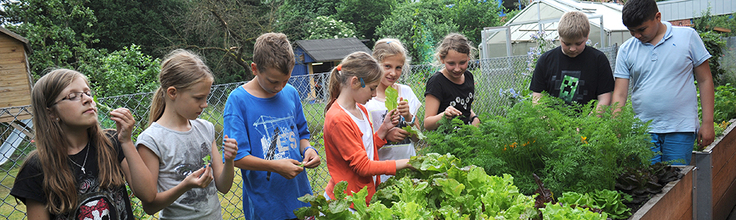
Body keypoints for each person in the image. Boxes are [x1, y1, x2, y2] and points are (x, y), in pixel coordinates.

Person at [11, 68, 155, 219]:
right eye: (73, 96)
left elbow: (148, 195)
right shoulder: (36, 168)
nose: (87, 99)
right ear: (51, 113)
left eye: (88, 93)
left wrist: (126, 141)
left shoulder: (112, 143)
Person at [222, 32, 322, 220]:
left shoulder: (291, 93)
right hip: (266, 207)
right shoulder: (238, 101)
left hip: (301, 200)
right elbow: (237, 158)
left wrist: (309, 150)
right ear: (254, 69)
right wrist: (275, 166)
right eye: (273, 81)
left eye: (286, 80)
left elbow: (302, 134)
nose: (280, 87)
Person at [135, 49, 238, 219]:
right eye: (198, 98)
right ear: (173, 93)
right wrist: (185, 186)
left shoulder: (206, 128)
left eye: (206, 97)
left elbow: (224, 186)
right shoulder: (151, 140)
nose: (205, 105)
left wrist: (229, 160)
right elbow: (150, 206)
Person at [611, 0, 715, 165]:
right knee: (646, 184)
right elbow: (620, 93)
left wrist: (708, 122)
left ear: (657, 17)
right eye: (631, 31)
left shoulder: (687, 37)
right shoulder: (626, 50)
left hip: (680, 127)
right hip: (642, 131)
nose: (637, 35)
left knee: (677, 183)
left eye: (641, 29)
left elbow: (705, 79)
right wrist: (616, 125)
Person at [323, 51, 413, 205]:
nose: (374, 94)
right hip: (347, 202)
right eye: (372, 88)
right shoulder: (338, 119)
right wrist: (407, 162)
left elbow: (366, 149)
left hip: (362, 195)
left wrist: (384, 130)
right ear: (355, 82)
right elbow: (363, 167)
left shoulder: (360, 109)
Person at [364, 38, 421, 183]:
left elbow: (418, 138)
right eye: (387, 66)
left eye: (398, 68)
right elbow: (364, 146)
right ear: (375, 64)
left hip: (409, 170)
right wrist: (386, 136)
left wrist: (408, 116)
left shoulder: (406, 92)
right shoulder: (367, 98)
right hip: (381, 175)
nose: (393, 73)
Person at [530, 11, 614, 109]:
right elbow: (538, 99)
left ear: (587, 37)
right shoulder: (545, 61)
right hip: (551, 122)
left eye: (578, 44)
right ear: (559, 37)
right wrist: (547, 121)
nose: (572, 49)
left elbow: (605, 98)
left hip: (591, 122)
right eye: (567, 43)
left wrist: (589, 122)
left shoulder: (598, 60)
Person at [424, 33, 480, 131]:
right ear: (442, 59)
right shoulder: (437, 82)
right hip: (445, 142)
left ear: (468, 57)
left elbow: (464, 106)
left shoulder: (468, 76)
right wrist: (444, 115)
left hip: (466, 139)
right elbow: (427, 124)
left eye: (462, 62)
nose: (457, 69)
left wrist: (474, 118)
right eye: (451, 63)